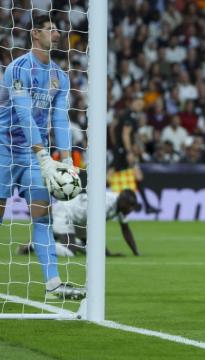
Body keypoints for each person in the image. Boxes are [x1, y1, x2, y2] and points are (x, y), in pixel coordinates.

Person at [0, 15, 84, 300]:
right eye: (51, 29)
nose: (57, 34)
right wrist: (44, 155)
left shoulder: (59, 76)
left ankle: (53, 285)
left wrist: (68, 160)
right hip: (4, 148)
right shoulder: (18, 68)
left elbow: (60, 120)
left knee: (43, 215)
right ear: (35, 33)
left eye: (58, 29)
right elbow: (23, 114)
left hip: (35, 156)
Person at [17, 189, 141, 257]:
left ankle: (57, 237)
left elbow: (126, 229)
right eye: (130, 207)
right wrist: (106, 253)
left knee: (92, 251)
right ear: (123, 203)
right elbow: (95, 231)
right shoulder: (106, 204)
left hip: (80, 220)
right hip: (66, 212)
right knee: (70, 252)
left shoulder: (120, 207)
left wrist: (135, 252)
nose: (130, 210)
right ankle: (35, 245)